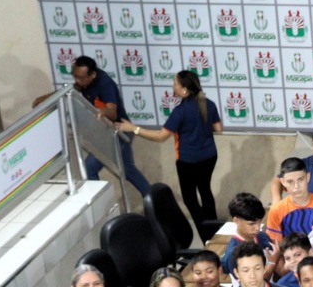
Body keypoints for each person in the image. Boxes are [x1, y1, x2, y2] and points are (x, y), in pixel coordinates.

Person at [117, 69, 220, 226]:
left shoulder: (180, 111)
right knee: (205, 190)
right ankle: (215, 228)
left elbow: (161, 137)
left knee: (190, 199)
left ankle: (207, 234)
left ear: (184, 89)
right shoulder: (209, 104)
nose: (173, 87)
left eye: (175, 84)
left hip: (188, 162)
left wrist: (134, 129)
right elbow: (218, 128)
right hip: (209, 157)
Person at [66, 55, 150, 200]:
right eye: (75, 76)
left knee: (89, 168)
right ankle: (154, 198)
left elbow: (112, 111)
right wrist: (44, 99)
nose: (77, 81)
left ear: (93, 75)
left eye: (81, 77)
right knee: (128, 170)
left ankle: (101, 205)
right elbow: (70, 90)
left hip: (119, 131)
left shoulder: (105, 84)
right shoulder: (84, 82)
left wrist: (103, 112)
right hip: (107, 131)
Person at [266, 157, 313, 244]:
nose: (296, 186)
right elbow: (276, 247)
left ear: (308, 177)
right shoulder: (276, 210)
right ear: (282, 181)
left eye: (300, 180)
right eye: (290, 182)